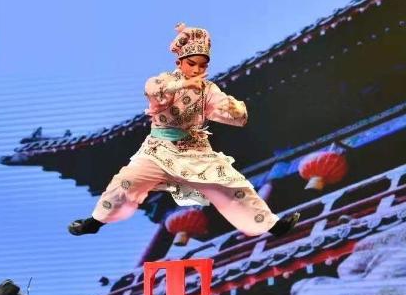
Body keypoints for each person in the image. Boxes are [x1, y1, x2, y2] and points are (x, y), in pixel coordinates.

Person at [68, 23, 299, 238]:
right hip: (158, 149)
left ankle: (273, 226)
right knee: (126, 182)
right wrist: (182, 85)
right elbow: (153, 92)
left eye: (202, 65)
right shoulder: (163, 81)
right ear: (180, 63)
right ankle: (95, 221)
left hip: (193, 150)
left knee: (232, 184)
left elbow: (231, 116)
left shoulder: (208, 90)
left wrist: (235, 110)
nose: (197, 69)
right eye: (192, 63)